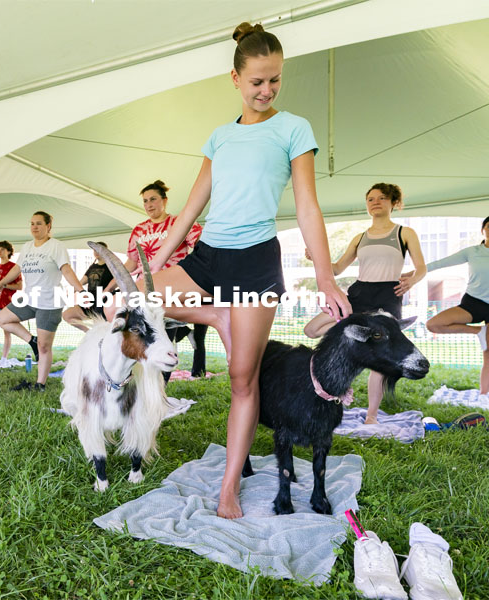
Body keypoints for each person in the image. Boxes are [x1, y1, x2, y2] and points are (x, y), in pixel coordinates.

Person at [139, 23, 350, 518]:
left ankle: (229, 486)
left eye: (274, 80)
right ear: (235, 78)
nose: (266, 90)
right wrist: (155, 260)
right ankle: (214, 317)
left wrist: (324, 275)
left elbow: (306, 207)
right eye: (257, 81)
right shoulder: (220, 137)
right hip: (209, 254)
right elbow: (191, 207)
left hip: (255, 262)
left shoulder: (293, 129)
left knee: (241, 378)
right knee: (133, 296)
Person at [302, 183, 427, 424]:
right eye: (370, 199)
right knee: (311, 330)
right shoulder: (360, 238)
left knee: (381, 364)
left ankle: (371, 416)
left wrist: (412, 280)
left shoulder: (405, 233)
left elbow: (421, 268)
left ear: (394, 203)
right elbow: (337, 268)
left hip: (387, 297)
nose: (375, 202)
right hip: (359, 294)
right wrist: (316, 257)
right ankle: (352, 338)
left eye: (381, 198)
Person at [105, 180, 225, 378]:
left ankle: (160, 390)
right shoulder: (138, 231)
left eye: (153, 199)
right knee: (143, 339)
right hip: (145, 293)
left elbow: (201, 248)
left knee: (163, 340)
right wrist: (110, 286)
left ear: (165, 200)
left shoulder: (180, 223)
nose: (149, 204)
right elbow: (132, 263)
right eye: (145, 201)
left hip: (175, 287)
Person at [424, 215, 489, 397]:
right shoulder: (472, 251)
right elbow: (441, 263)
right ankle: (477, 331)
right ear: (483, 230)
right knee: (433, 324)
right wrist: (413, 272)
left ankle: (483, 395)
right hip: (473, 303)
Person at [0, 211, 84, 391]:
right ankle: (31, 340)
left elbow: (66, 270)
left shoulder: (56, 246)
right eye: (32, 223)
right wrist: (2, 283)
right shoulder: (27, 247)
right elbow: (17, 269)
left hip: (50, 301)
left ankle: (40, 384)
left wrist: (80, 290)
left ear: (48, 226)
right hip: (29, 299)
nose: (34, 227)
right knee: (2, 319)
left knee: (44, 347)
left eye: (39, 223)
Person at [62, 241, 114, 332]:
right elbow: (81, 282)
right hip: (89, 301)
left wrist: (107, 291)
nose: (96, 252)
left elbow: (116, 283)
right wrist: (71, 291)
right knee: (67, 315)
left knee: (99, 327)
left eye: (98, 250)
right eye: (94, 250)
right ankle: (89, 332)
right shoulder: (92, 267)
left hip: (103, 302)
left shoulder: (111, 267)